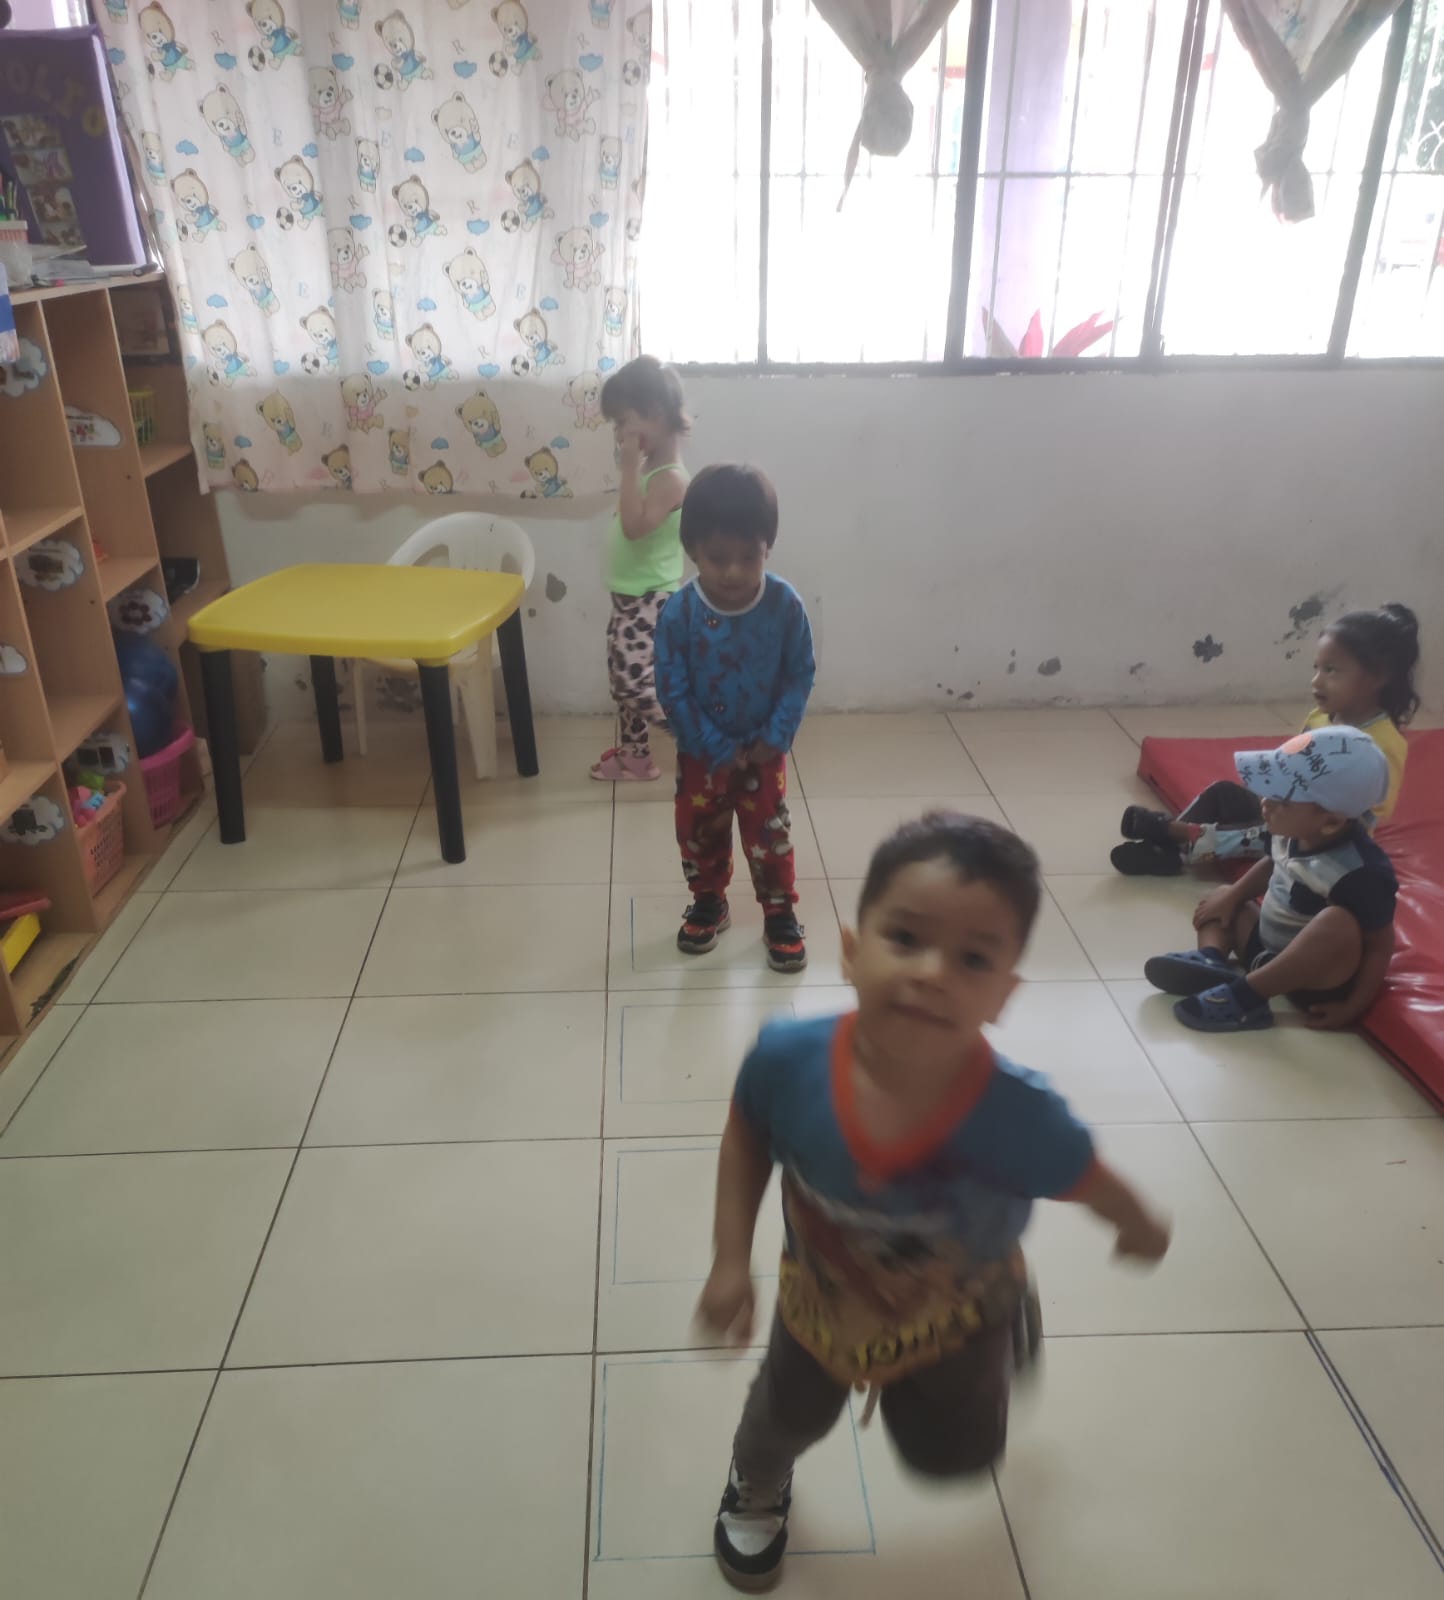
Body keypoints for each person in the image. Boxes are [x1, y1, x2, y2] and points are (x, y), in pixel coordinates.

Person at [696, 813, 1171, 1590]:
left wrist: (1139, 1225)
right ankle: (755, 1485)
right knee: (786, 1413)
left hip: (962, 1310)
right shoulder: (786, 1063)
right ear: (852, 951)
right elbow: (747, 1138)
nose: (932, 972)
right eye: (906, 938)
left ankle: (1010, 1304)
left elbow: (1088, 1178)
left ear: (1004, 995)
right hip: (821, 1299)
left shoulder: (1021, 1116)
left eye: (973, 958)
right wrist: (728, 1262)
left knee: (950, 1456)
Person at [1112, 602, 1420, 876]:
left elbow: (1365, 815)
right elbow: (1290, 767)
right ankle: (1168, 851)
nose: (1316, 681)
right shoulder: (1320, 717)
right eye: (1317, 668)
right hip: (1290, 812)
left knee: (1269, 833)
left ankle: (1174, 833)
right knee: (1224, 793)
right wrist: (1273, 800)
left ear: (1377, 677)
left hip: (1324, 837)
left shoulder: (1382, 744)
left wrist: (1301, 816)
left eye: (1331, 671)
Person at [653, 464, 815, 973]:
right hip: (702, 755)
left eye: (749, 557)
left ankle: (779, 911)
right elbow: (672, 688)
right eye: (717, 558)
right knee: (698, 830)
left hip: (764, 753)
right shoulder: (679, 614)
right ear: (692, 550)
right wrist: (712, 745)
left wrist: (776, 735)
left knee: (770, 834)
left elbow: (799, 673)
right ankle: (708, 900)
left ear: (768, 547)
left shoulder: (784, 606)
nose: (733, 572)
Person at [1142, 726, 1397, 1034]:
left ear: (1330, 822)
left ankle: (1247, 997)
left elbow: (1379, 946)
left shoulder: (1361, 872)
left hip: (1313, 977)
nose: (1265, 803)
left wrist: (1354, 1006)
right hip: (1265, 948)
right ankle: (1211, 959)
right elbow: (1271, 863)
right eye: (1270, 791)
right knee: (1225, 894)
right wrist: (1233, 897)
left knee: (1338, 922)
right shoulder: (1290, 831)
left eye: (1283, 801)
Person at [590, 356, 689, 783]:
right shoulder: (651, 470)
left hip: (651, 600)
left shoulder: (671, 479)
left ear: (657, 414)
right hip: (629, 597)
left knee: (634, 682)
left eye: (623, 422)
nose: (619, 434)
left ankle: (700, 740)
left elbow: (633, 527)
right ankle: (635, 756)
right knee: (622, 680)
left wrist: (628, 466)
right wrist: (634, 467)